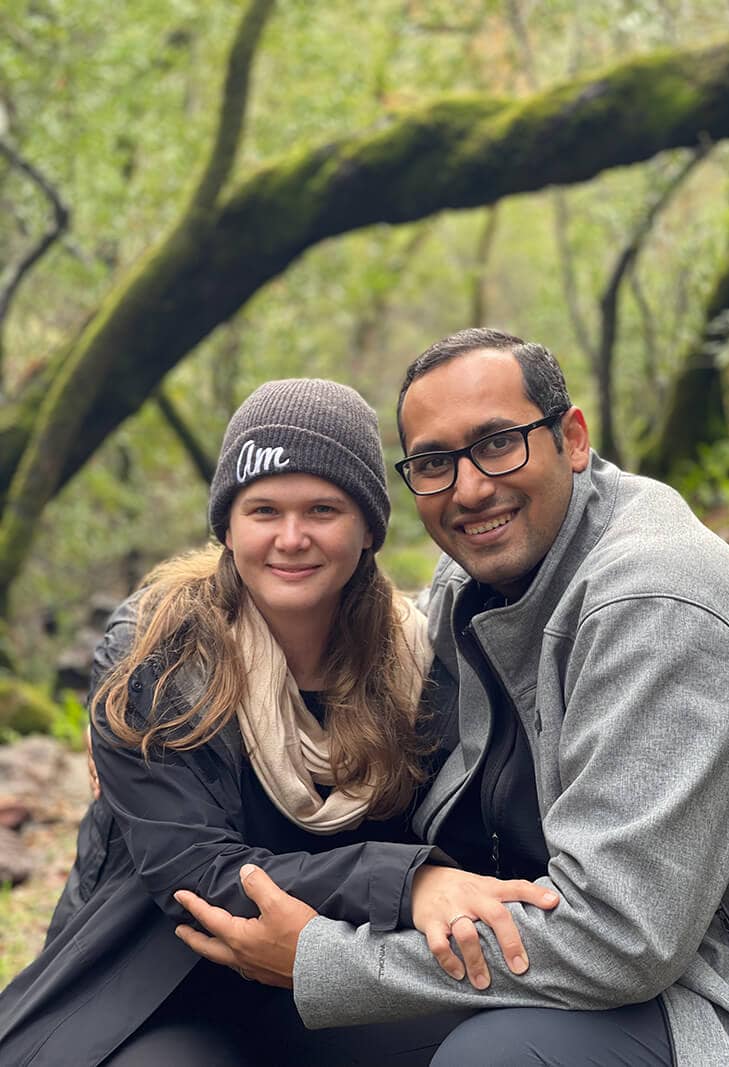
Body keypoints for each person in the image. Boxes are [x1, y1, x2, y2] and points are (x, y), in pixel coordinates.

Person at [175, 329, 729, 1066]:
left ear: (572, 439)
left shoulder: (657, 605)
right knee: (287, 1032)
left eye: (499, 443)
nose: (469, 489)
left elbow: (623, 939)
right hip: (569, 957)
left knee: (491, 1056)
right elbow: (358, 658)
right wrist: (157, 700)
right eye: (434, 463)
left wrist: (327, 961)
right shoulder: (474, 586)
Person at [0, 376, 557, 1067]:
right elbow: (196, 875)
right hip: (158, 985)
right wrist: (409, 882)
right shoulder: (156, 657)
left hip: (333, 980)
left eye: (323, 509)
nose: (291, 538)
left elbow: (481, 831)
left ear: (368, 529)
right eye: (263, 510)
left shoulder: (422, 664)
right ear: (228, 527)